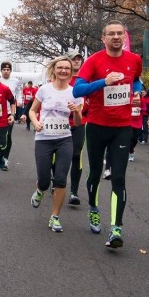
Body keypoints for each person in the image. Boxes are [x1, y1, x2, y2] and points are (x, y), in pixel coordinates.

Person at [72, 21, 143, 249]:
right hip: (97, 126)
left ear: (124, 37)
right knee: (95, 173)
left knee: (119, 177)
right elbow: (78, 90)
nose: (115, 37)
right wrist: (104, 81)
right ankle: (93, 209)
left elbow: (138, 82)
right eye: (111, 34)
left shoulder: (134, 60)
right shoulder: (94, 61)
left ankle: (116, 228)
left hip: (122, 127)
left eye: (119, 33)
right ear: (103, 38)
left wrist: (138, 93)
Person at [28, 57, 83, 232]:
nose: (64, 71)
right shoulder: (44, 89)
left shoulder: (75, 93)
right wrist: (35, 122)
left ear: (71, 71)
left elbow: (79, 122)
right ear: (54, 69)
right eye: (60, 67)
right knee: (44, 181)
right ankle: (40, 190)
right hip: (44, 138)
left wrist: (75, 112)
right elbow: (32, 110)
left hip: (64, 138)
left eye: (67, 68)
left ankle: (55, 217)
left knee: (60, 179)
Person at [68, 52, 87, 205]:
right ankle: (56, 180)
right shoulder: (61, 78)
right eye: (73, 59)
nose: (76, 61)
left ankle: (74, 192)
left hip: (79, 123)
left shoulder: (85, 79)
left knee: (76, 155)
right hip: (59, 123)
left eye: (79, 59)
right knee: (58, 155)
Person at [0, 61, 22, 167]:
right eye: (4, 70)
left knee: (7, 135)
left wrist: (20, 100)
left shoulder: (15, 81)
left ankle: (5, 158)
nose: (6, 72)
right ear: (1, 70)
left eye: (8, 70)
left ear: (10, 71)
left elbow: (18, 92)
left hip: (10, 112)